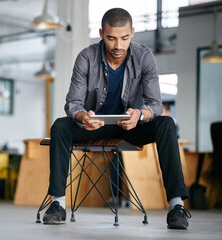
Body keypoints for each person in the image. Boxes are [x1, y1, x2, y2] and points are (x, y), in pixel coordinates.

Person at [42, 8, 191, 229]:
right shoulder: (86, 57)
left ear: (132, 32)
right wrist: (84, 117)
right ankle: (57, 204)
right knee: (61, 126)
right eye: (111, 38)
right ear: (102, 33)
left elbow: (156, 105)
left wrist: (140, 114)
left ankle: (176, 206)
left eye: (124, 38)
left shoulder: (144, 57)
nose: (118, 46)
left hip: (132, 126)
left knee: (167, 124)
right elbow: (72, 104)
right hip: (94, 126)